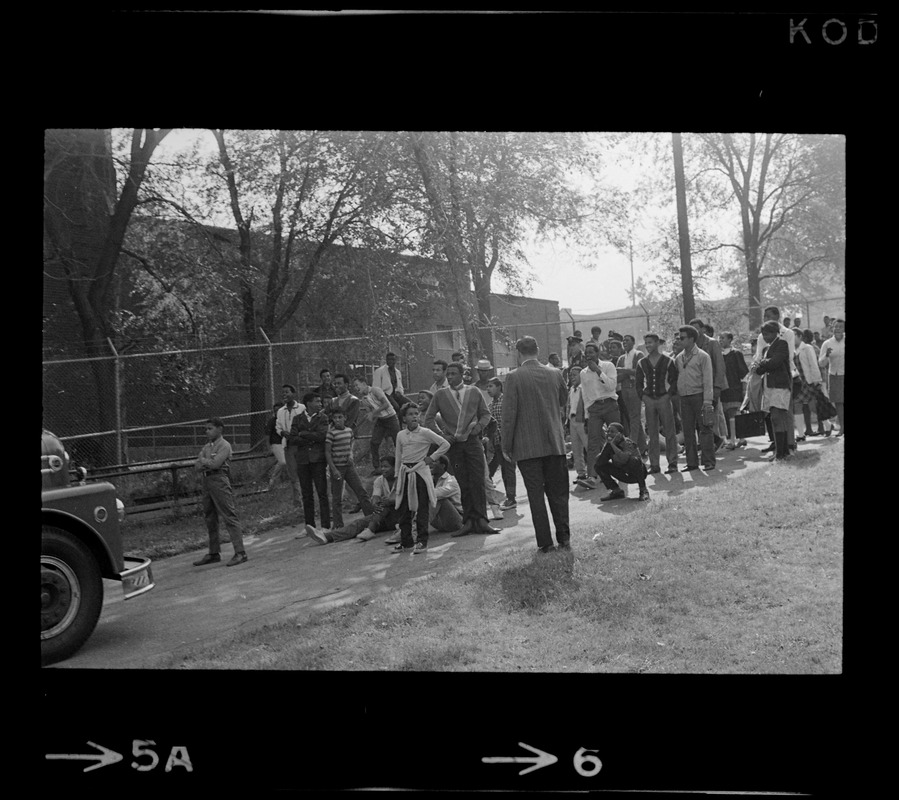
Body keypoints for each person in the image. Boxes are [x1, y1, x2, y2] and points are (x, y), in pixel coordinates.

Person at [501, 335, 571, 554]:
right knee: (558, 493)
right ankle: (564, 537)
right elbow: (563, 401)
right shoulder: (555, 373)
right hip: (554, 443)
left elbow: (509, 415)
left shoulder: (513, 377)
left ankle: (545, 542)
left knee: (536, 496)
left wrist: (507, 444)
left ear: (518, 352)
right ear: (538, 349)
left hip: (527, 446)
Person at [424, 362, 499, 536]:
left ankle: (482, 521)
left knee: (478, 480)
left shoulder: (474, 392)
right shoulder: (440, 395)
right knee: (463, 482)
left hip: (473, 442)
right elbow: (428, 419)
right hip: (454, 445)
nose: (449, 377)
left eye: (453, 374)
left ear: (462, 374)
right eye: (447, 374)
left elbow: (486, 415)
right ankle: (468, 522)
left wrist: (478, 428)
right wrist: (442, 435)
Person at [389, 403, 451, 553]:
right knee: (403, 508)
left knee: (422, 507)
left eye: (416, 413)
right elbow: (398, 456)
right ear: (404, 418)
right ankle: (406, 541)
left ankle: (422, 541)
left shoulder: (425, 432)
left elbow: (445, 444)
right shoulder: (400, 435)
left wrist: (431, 458)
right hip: (405, 473)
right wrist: (397, 475)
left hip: (420, 472)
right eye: (410, 414)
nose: (414, 416)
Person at [306, 455, 402, 544]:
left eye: (386, 466)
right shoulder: (379, 480)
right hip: (383, 517)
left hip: (401, 515)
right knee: (358, 523)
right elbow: (375, 498)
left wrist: (390, 501)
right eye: (382, 467)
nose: (383, 469)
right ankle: (326, 537)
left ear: (395, 467)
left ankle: (371, 529)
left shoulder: (402, 479)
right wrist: (376, 504)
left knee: (387, 503)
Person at [192, 417, 248, 567]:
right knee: (210, 517)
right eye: (206, 429)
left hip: (219, 480)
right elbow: (197, 466)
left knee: (229, 515)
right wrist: (205, 462)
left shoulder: (225, 445)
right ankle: (214, 552)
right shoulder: (207, 447)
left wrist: (204, 461)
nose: (207, 431)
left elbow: (216, 465)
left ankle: (240, 552)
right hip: (207, 481)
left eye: (210, 428)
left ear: (220, 429)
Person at [576, 342, 621, 490]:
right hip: (594, 408)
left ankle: (622, 469)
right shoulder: (583, 373)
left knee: (616, 438)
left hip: (609, 403)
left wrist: (598, 372)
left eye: (591, 352)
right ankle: (592, 477)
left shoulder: (608, 366)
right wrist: (589, 410)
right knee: (593, 441)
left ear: (597, 354)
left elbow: (611, 386)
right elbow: (585, 394)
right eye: (586, 353)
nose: (589, 355)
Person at [636, 333, 679, 474]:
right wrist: (643, 397)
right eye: (646, 343)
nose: (648, 346)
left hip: (663, 399)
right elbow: (638, 384)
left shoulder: (668, 361)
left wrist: (668, 395)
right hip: (649, 399)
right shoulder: (642, 362)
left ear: (657, 343)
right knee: (652, 432)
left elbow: (674, 380)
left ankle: (672, 462)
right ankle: (654, 464)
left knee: (669, 430)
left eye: (650, 343)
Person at [674, 325, 716, 471]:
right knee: (688, 430)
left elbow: (708, 379)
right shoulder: (679, 358)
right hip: (684, 397)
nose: (679, 341)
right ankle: (692, 462)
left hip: (699, 396)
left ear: (692, 339)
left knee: (705, 428)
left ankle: (708, 461)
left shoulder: (703, 356)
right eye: (679, 338)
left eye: (682, 338)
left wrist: (707, 400)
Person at [326, 407, 373, 530]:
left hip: (349, 466)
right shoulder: (331, 433)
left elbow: (351, 443)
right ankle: (338, 524)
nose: (337, 420)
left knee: (361, 491)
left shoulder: (349, 431)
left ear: (345, 418)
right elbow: (327, 452)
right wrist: (333, 469)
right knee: (337, 497)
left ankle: (371, 518)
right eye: (335, 418)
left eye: (340, 417)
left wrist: (351, 455)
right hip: (337, 467)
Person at [289, 392, 331, 530]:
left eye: (320, 401)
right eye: (317, 401)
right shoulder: (297, 419)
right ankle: (309, 526)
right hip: (302, 460)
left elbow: (322, 436)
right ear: (308, 403)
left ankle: (325, 525)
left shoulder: (323, 418)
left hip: (317, 459)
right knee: (306, 494)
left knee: (322, 492)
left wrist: (304, 434)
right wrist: (310, 437)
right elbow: (293, 438)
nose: (320, 404)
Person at [688, 318, 728, 451]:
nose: (695, 331)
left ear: (703, 329)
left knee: (710, 417)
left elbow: (720, 366)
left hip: (710, 387)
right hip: (696, 388)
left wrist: (717, 387)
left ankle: (714, 443)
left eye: (697, 328)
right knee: (699, 418)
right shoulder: (691, 345)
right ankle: (712, 442)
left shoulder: (712, 343)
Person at [755, 321, 793, 460]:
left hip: (780, 386)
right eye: (763, 334)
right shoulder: (766, 349)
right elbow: (759, 369)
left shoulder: (782, 344)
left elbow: (774, 363)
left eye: (767, 334)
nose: (764, 337)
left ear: (775, 332)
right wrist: (763, 364)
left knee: (778, 417)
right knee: (775, 418)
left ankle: (781, 452)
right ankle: (782, 452)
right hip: (769, 386)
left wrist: (763, 363)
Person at [353, 374, 400, 474]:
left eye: (357, 385)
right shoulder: (364, 399)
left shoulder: (375, 390)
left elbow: (386, 404)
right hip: (381, 420)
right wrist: (371, 417)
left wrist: (373, 413)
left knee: (398, 442)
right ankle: (377, 467)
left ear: (364, 384)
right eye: (355, 387)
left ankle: (401, 465)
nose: (356, 388)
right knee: (374, 442)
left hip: (391, 418)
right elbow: (370, 412)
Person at [594, 422, 650, 502]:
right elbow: (599, 462)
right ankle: (616, 491)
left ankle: (643, 490)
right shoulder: (609, 445)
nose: (609, 433)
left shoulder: (627, 443)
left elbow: (625, 458)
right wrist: (607, 446)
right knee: (598, 466)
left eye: (612, 432)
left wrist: (612, 445)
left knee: (634, 461)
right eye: (608, 431)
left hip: (636, 473)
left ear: (619, 434)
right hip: (623, 473)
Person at [486, 376, 517, 510]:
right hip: (497, 442)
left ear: (499, 387)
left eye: (491, 386)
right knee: (501, 470)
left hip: (508, 441)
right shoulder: (490, 405)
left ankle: (511, 498)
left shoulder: (506, 401)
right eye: (487, 387)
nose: (488, 389)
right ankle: (505, 497)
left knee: (509, 469)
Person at [277, 384, 306, 508]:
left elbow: (306, 423)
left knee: (303, 472)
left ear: (293, 393)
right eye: (283, 393)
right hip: (288, 445)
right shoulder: (280, 411)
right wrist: (282, 432)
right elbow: (278, 427)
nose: (285, 395)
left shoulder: (301, 408)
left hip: (300, 445)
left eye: (287, 392)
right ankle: (297, 501)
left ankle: (306, 498)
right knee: (292, 474)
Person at [616, 334, 646, 455]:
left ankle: (632, 446)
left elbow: (639, 372)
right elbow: (618, 376)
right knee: (633, 417)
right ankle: (643, 447)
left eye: (627, 340)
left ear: (633, 342)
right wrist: (628, 373)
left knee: (634, 417)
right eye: (623, 341)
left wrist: (624, 371)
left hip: (634, 389)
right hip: (624, 389)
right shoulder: (622, 358)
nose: (624, 342)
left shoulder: (638, 354)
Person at [719, 332, 749, 449]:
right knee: (729, 413)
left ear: (730, 340)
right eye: (719, 338)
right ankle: (741, 438)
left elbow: (743, 372)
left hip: (735, 387)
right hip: (724, 389)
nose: (720, 340)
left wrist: (744, 387)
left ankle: (733, 441)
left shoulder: (736, 354)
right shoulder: (719, 355)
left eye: (723, 338)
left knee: (734, 412)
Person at [818, 317, 845, 436]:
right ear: (832, 328)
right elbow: (821, 363)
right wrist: (827, 355)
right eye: (836, 327)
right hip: (835, 375)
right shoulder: (827, 343)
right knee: (839, 402)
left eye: (841, 327)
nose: (838, 329)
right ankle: (842, 428)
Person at [566, 365, 590, 483]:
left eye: (574, 375)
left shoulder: (584, 388)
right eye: (570, 375)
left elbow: (587, 405)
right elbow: (570, 405)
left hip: (582, 420)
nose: (572, 377)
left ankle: (594, 472)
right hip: (573, 420)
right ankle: (581, 473)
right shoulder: (571, 389)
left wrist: (587, 420)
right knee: (576, 449)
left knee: (588, 446)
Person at [428, 454, 465, 532]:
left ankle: (414, 530)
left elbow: (437, 494)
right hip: (439, 521)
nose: (430, 464)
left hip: (456, 520)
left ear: (442, 465)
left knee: (439, 499)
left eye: (434, 462)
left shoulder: (451, 481)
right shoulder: (429, 480)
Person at [265, 402, 287, 491]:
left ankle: (280, 482)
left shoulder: (286, 420)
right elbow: (267, 436)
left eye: (279, 410)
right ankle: (272, 480)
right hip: (276, 444)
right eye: (275, 410)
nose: (277, 412)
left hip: (285, 443)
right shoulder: (272, 421)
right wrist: (269, 447)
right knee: (283, 462)